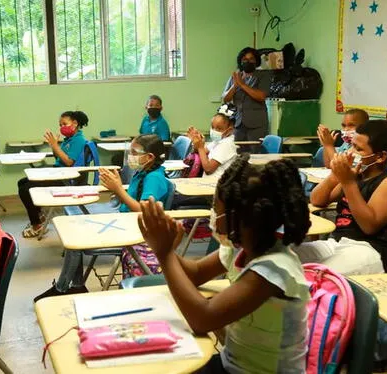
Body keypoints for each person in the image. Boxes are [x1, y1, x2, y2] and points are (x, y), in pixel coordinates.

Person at [137, 155, 311, 373]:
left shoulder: (275, 268)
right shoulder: (240, 249)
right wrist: (168, 249)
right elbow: (196, 273)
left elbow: (203, 319)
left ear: (243, 218)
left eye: (216, 209)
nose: (213, 215)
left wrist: (164, 254)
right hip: (234, 365)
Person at [33, 134, 170, 302]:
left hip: (136, 231)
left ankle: (65, 288)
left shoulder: (154, 178)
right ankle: (74, 286)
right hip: (126, 221)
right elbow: (131, 200)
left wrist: (119, 190)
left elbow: (144, 211)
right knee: (74, 230)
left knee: (75, 237)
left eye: (135, 152)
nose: (130, 156)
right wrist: (118, 188)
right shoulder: (143, 172)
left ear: (149, 157)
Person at [297, 120, 387, 275]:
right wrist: (335, 175)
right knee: (287, 258)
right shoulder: (356, 175)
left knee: (316, 276)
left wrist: (348, 183)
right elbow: (317, 200)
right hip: (339, 242)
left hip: (372, 250)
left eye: (359, 149)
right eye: (351, 145)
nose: (351, 152)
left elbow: (369, 226)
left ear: (380, 156)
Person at [18, 111, 89, 238]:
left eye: (64, 124)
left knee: (26, 189)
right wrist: (54, 147)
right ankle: (40, 216)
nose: (62, 127)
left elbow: (68, 161)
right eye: (60, 125)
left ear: (75, 123)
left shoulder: (79, 140)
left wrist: (56, 146)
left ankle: (37, 225)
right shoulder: (69, 140)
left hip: (66, 179)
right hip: (60, 172)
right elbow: (60, 158)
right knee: (22, 182)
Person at [222, 47, 270, 148]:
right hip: (238, 124)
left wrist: (242, 85)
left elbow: (261, 96)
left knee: (255, 154)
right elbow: (225, 98)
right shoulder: (235, 77)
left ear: (256, 61)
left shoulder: (263, 76)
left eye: (251, 59)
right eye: (245, 59)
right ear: (240, 62)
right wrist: (235, 85)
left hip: (257, 124)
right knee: (238, 153)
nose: (248, 61)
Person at [187, 103, 238, 178]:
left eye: (219, 128)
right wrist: (197, 142)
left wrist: (200, 147)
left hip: (217, 185)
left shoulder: (226, 145)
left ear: (229, 130)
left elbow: (208, 169)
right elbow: (202, 152)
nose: (214, 131)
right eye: (212, 127)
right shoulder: (218, 141)